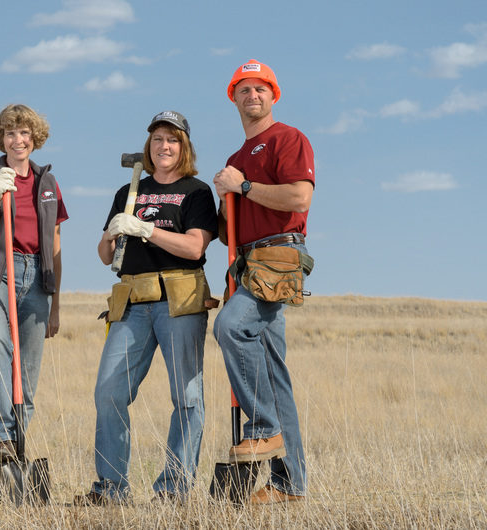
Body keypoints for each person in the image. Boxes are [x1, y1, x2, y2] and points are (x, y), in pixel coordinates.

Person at [75, 111, 218, 504]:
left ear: (184, 146)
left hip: (180, 300)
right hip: (133, 301)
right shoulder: (129, 191)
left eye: (172, 139)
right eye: (157, 139)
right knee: (109, 392)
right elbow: (106, 256)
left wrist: (147, 230)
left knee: (186, 398)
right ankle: (111, 488)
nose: (164, 146)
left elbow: (194, 247)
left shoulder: (197, 192)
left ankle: (173, 489)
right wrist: (113, 231)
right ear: (148, 148)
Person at [212, 59, 315, 504]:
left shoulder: (287, 138)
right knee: (273, 375)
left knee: (230, 327)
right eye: (245, 89)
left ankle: (264, 427)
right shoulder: (236, 159)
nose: (253, 96)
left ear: (273, 96)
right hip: (247, 260)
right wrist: (224, 196)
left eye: (261, 89)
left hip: (278, 255)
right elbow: (224, 232)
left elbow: (298, 195)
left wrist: (246, 186)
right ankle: (289, 483)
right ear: (233, 97)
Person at [0, 104, 68, 464]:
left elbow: (53, 245)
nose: (17, 139)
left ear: (34, 138)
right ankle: (0, 437)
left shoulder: (48, 184)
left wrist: (55, 304)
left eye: (24, 133)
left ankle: (16, 449)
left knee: (28, 371)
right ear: (0, 139)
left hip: (36, 278)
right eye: (10, 133)